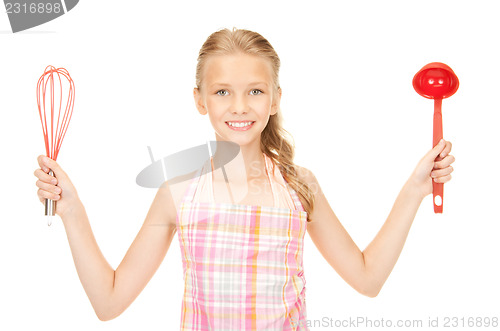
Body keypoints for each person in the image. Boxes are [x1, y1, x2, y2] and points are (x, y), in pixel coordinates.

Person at [34, 28, 455, 330]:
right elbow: (109, 302)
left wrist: (415, 189)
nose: (240, 106)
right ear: (199, 99)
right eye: (222, 91)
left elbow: (368, 278)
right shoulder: (177, 193)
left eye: (255, 91)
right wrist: (72, 209)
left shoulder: (298, 186)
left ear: (274, 99)